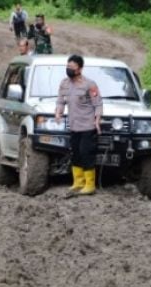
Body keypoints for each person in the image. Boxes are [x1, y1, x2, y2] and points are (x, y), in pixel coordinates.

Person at [55, 55, 103, 196]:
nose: (68, 70)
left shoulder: (90, 84)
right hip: (74, 126)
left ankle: (89, 185)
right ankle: (78, 182)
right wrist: (58, 112)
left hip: (87, 126)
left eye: (72, 67)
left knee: (86, 153)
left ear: (80, 69)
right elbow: (60, 101)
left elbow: (98, 104)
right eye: (67, 66)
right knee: (75, 153)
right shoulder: (64, 83)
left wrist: (97, 120)